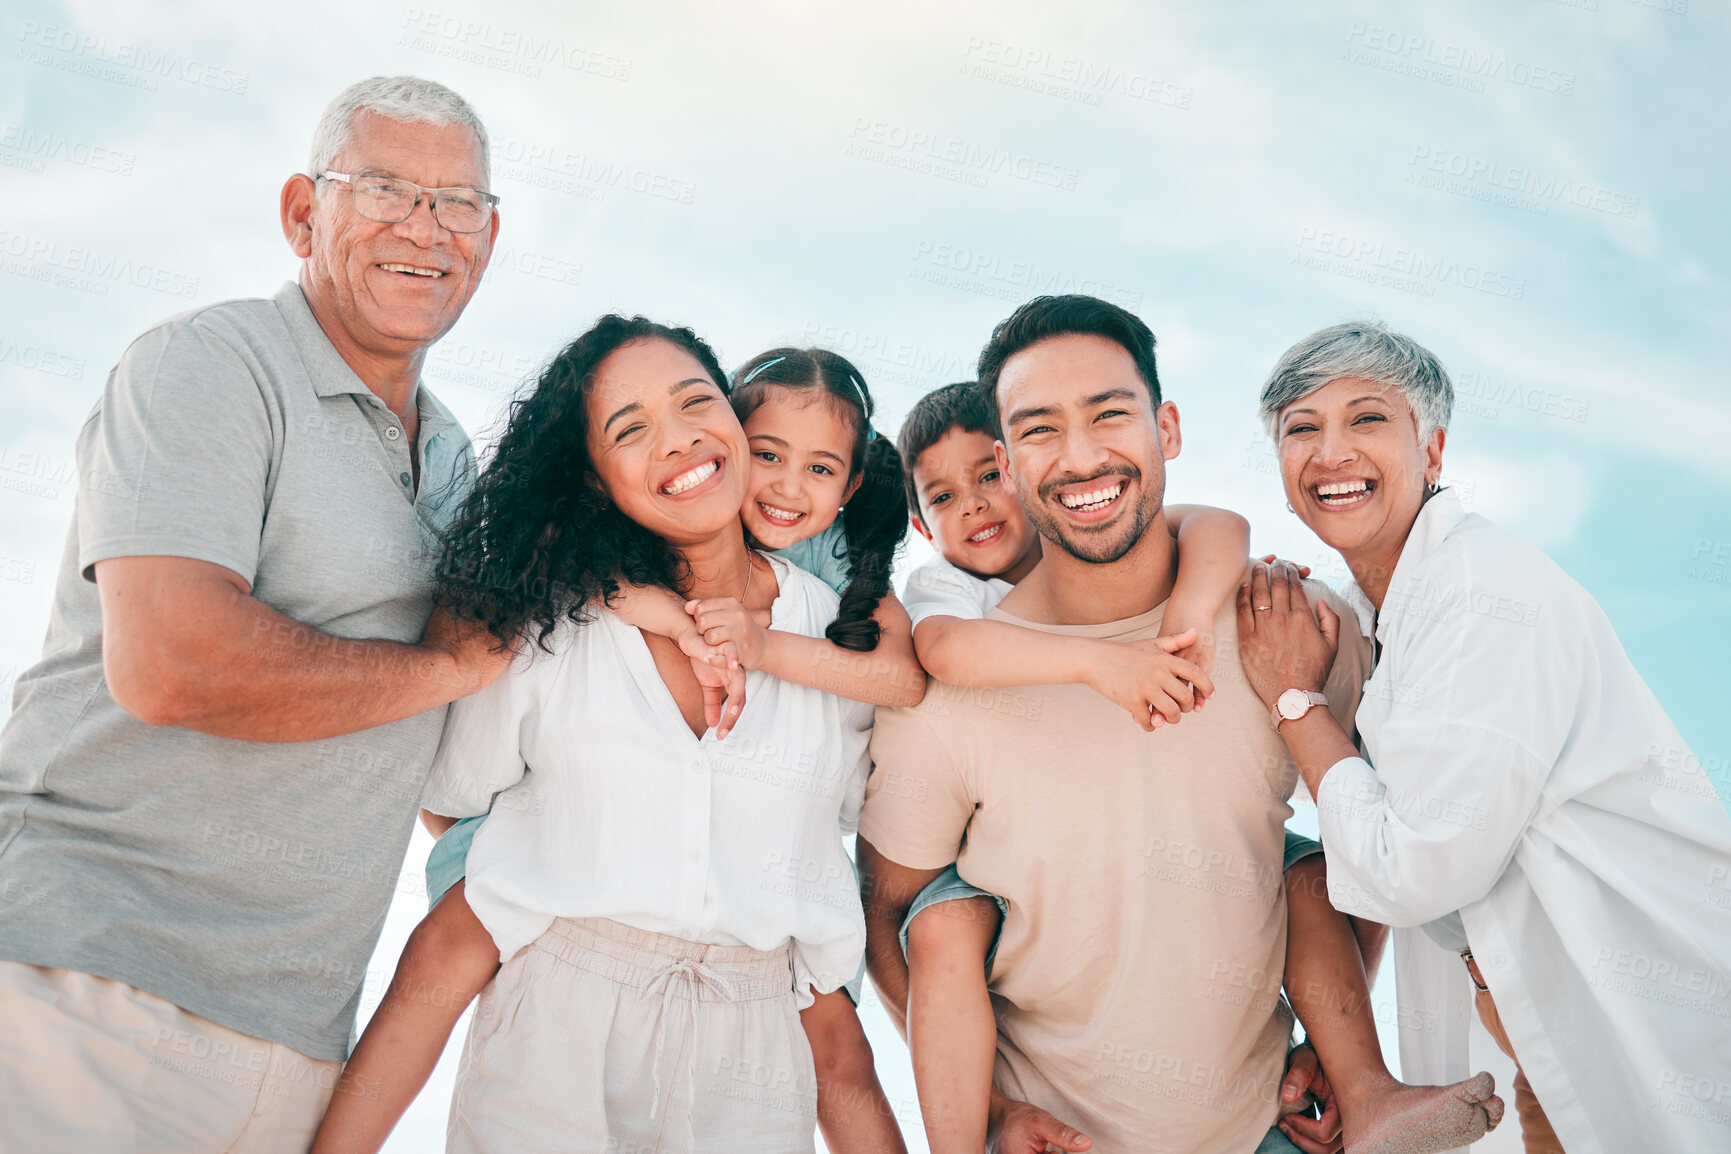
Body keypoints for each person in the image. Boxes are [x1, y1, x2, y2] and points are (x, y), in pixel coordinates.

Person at [0, 76, 508, 1151]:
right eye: (383, 188)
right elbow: (173, 663)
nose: (424, 226)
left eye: (456, 201)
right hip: (80, 986)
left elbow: (451, 766)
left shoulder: (458, 460)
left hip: (296, 1043)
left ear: (489, 237)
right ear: (301, 214)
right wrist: (445, 669)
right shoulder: (208, 366)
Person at [312, 342, 919, 1153]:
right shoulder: (552, 627)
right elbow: (454, 848)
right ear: (594, 474)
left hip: (753, 1065)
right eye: (631, 428)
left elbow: (837, 1033)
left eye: (694, 404)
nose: (677, 440)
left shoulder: (841, 645)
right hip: (553, 1036)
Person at [881, 376, 1502, 1154]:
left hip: (1247, 1107)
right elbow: (942, 651)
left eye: (987, 476)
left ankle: (1367, 1088)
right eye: (942, 497)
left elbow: (1218, 524)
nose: (971, 505)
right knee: (941, 921)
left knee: (1306, 873)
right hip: (1012, 896)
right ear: (919, 521)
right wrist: (1100, 667)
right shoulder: (946, 596)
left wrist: (1186, 621)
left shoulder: (1199, 576)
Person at [1237, 321, 1731, 1154]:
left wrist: (1294, 701)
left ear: (1431, 453)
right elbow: (1372, 831)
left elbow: (1413, 872)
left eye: (1366, 419)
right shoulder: (1369, 615)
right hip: (1528, 1042)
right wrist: (1340, 1041)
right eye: (1300, 428)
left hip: (1655, 1015)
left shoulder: (1479, 591)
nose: (1331, 452)